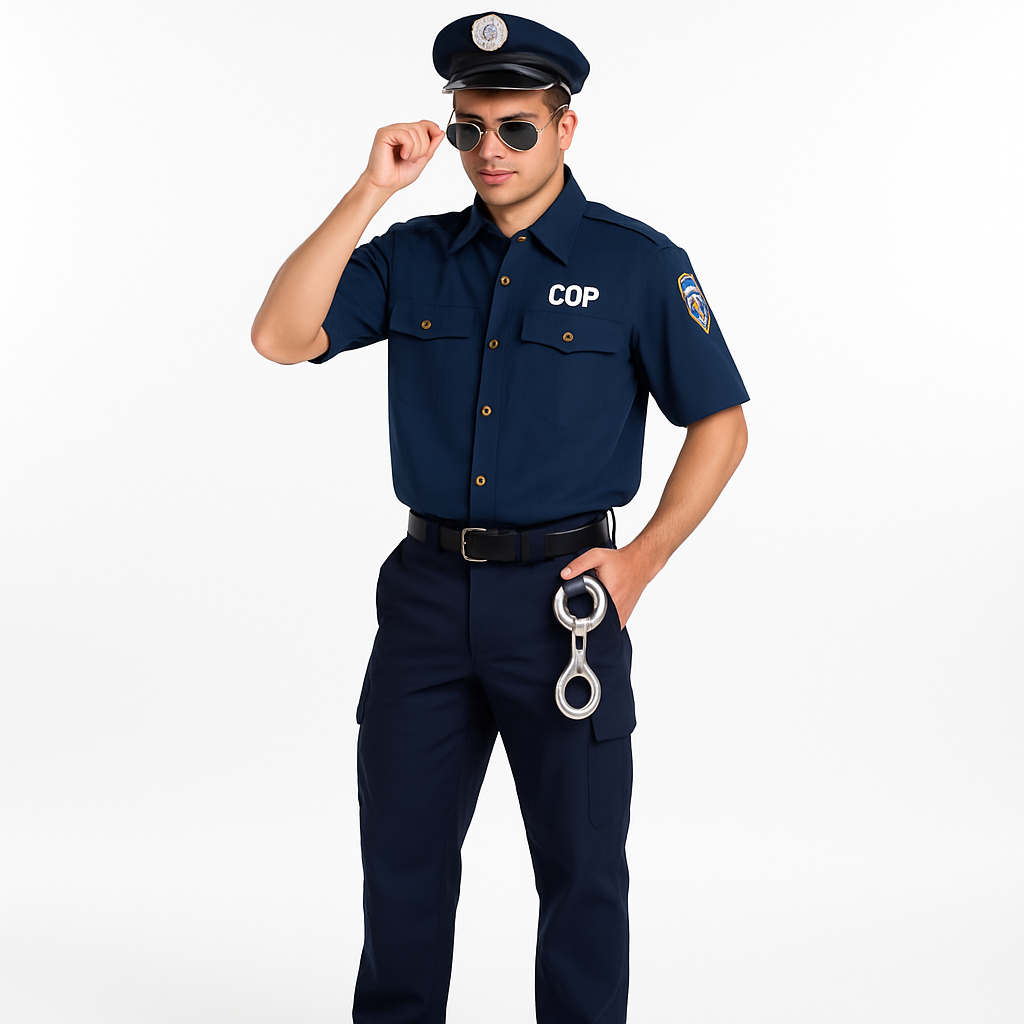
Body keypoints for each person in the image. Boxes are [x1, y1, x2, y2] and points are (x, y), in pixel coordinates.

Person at [251, 12, 749, 1023]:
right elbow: (279, 335)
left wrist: (641, 562)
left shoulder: (638, 264)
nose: (491, 151)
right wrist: (371, 190)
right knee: (402, 864)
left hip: (563, 604)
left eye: (517, 127)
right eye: (469, 128)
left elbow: (721, 425)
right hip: (426, 599)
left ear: (566, 128)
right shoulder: (412, 256)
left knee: (580, 872)